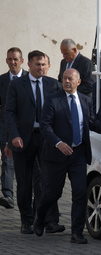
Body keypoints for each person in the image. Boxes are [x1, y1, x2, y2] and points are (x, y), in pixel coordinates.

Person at [33, 68, 94, 244]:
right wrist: (58, 143)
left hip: (78, 155)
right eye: (64, 79)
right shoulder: (53, 100)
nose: (67, 81)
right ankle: (41, 216)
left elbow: (92, 123)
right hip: (55, 156)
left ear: (79, 82)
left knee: (80, 193)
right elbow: (45, 126)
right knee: (52, 194)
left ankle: (77, 233)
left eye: (70, 79)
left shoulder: (86, 101)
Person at [5, 50, 63, 234]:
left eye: (44, 64)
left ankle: (49, 220)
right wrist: (13, 136)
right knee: (24, 182)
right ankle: (27, 221)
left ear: (48, 66)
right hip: (23, 139)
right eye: (37, 64)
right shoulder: (17, 85)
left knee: (48, 180)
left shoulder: (54, 85)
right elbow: (9, 112)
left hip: (46, 138)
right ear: (28, 64)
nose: (41, 68)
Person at [0, 47, 26, 209]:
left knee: (26, 164)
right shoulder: (1, 81)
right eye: (10, 59)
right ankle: (8, 195)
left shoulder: (30, 79)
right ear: (6, 61)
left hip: (26, 130)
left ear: (22, 61)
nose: (13, 62)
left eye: (15, 59)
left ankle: (29, 196)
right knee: (7, 161)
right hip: (5, 129)